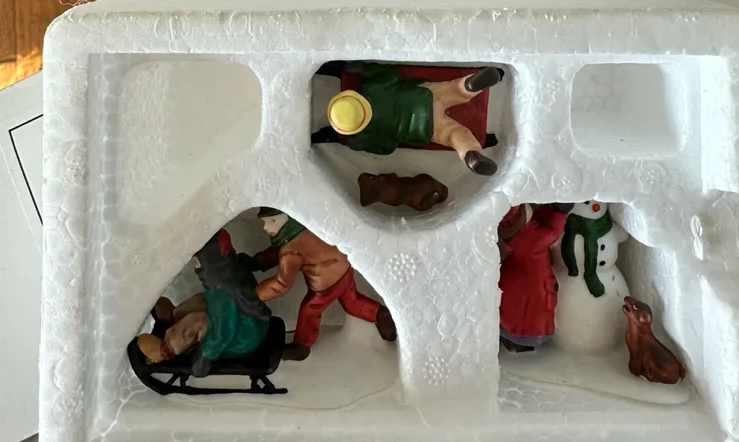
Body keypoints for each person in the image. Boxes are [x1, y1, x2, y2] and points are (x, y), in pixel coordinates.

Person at [254, 206, 397, 361]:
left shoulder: (291, 251)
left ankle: (301, 347)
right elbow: (277, 251)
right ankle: (382, 315)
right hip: (342, 267)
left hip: (325, 283)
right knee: (352, 301)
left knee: (309, 309)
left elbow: (281, 284)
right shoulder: (306, 228)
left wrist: (255, 295)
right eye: (265, 222)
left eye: (272, 221)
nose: (265, 227)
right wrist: (256, 262)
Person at [315, 62, 503, 176]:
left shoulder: (370, 134)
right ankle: (469, 85)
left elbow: (386, 148)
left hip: (424, 128)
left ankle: (470, 154)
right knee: (453, 89)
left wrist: (359, 144)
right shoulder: (373, 88)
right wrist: (364, 69)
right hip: (424, 97)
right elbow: (388, 74)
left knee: (455, 136)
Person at [137, 228, 271, 373]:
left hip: (243, 337)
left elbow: (222, 333)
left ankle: (168, 348)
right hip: (243, 317)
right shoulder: (227, 275)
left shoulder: (224, 291)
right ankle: (175, 317)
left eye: (198, 262)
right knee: (204, 299)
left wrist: (205, 358)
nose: (196, 266)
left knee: (199, 320)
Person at [498, 203, 572, 352]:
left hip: (522, 280)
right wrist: (559, 213)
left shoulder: (519, 235)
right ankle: (523, 337)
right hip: (533, 283)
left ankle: (516, 336)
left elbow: (538, 222)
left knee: (522, 309)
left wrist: (551, 210)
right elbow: (549, 234)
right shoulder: (529, 238)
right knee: (532, 311)